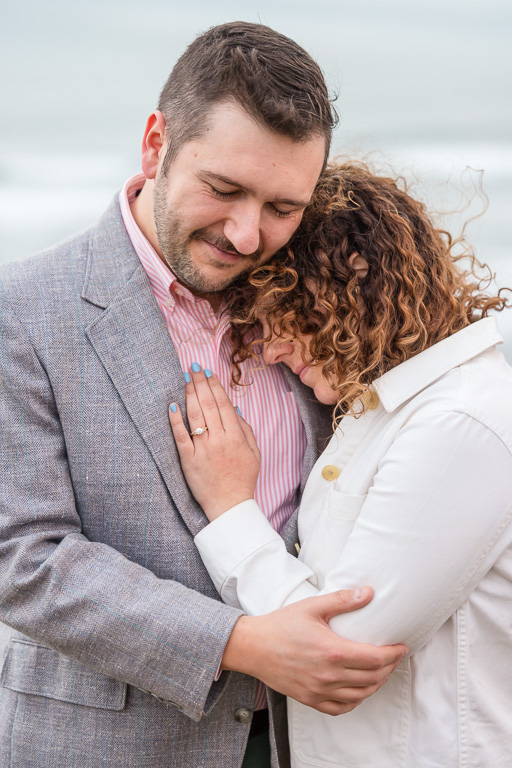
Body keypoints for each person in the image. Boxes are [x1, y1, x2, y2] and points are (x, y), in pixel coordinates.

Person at [0, 24, 406, 768]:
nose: (248, 235)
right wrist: (241, 644)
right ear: (156, 143)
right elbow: (24, 559)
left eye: (284, 207)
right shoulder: (21, 310)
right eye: (223, 189)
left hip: (305, 744)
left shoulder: (320, 299)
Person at [168, 161, 512, 767]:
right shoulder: (385, 407)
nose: (269, 347)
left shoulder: (460, 421)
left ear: (352, 290)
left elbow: (337, 651)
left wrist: (231, 507)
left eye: (285, 311)